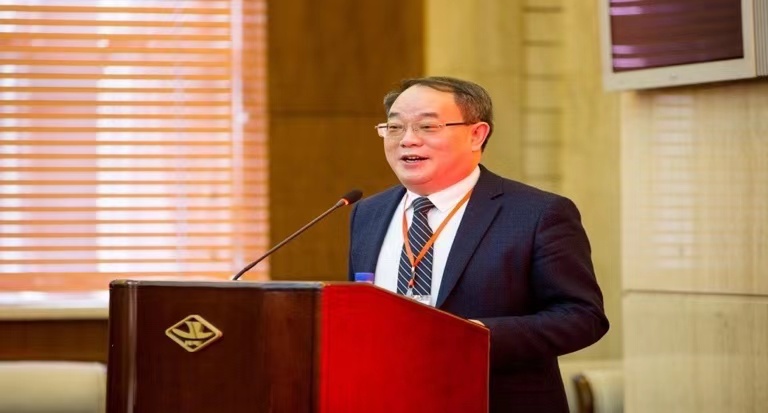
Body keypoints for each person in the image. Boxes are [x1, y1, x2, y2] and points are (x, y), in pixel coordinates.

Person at [347, 76, 609, 412]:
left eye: (427, 126)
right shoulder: (367, 213)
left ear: (476, 134)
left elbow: (582, 317)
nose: (407, 140)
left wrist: (478, 335)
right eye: (394, 127)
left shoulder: (537, 213)